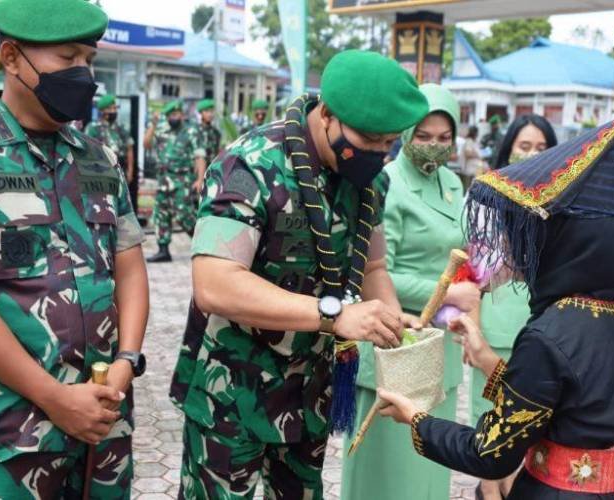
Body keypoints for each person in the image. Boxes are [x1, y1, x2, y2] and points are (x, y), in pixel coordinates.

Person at [376, 84, 614, 499]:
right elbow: (567, 406)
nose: (520, 250)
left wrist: (417, 419)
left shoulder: (549, 335)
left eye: (531, 237)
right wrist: (489, 363)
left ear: (562, 243)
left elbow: (489, 453)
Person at [169, 49, 428, 499]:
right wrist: (334, 314)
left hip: (308, 395)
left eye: (390, 143)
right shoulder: (250, 165)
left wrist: (387, 315)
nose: (379, 155)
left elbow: (373, 264)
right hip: (230, 392)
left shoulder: (369, 183)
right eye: (369, 140)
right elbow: (214, 282)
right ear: (327, 114)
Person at [0, 0, 151, 497]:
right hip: (5, 437)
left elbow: (129, 269)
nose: (82, 72)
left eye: (89, 59)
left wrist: (125, 363)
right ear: (12, 57)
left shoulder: (97, 157)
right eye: (67, 58)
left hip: (103, 424)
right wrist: (56, 398)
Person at [341, 83, 480, 500]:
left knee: (428, 468)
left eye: (443, 138)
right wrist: (451, 293)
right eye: (423, 136)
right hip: (394, 338)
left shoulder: (453, 183)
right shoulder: (385, 183)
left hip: (439, 344)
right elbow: (376, 270)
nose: (433, 147)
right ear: (404, 134)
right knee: (387, 472)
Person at [470, 113, 559, 500]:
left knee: (528, 431)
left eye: (541, 148)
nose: (533, 154)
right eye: (524, 146)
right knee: (491, 428)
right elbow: (472, 275)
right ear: (507, 151)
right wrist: (473, 330)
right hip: (494, 330)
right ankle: (488, 492)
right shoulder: (488, 200)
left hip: (542, 333)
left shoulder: (560, 204)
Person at [144, 99, 201, 263]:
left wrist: (199, 179)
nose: (175, 117)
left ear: (182, 115)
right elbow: (146, 144)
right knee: (161, 215)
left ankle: (204, 246)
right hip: (163, 181)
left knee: (185, 216)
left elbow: (199, 155)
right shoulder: (161, 131)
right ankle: (163, 250)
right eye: (171, 115)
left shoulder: (190, 132)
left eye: (177, 114)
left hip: (182, 181)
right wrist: (153, 125)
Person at [85, 94, 137, 206]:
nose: (113, 111)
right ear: (102, 111)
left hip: (119, 171)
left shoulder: (121, 128)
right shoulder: (93, 128)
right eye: (110, 109)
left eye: (115, 108)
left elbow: (129, 148)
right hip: (101, 173)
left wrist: (130, 171)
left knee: (121, 205)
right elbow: (87, 152)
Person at [195, 98, 221, 194]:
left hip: (211, 174)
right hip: (196, 175)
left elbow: (217, 153)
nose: (210, 114)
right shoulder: (195, 131)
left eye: (211, 111)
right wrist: (199, 178)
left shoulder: (216, 133)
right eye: (206, 111)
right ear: (201, 113)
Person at [459, 125, 484, 191]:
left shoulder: (474, 142)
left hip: (475, 170)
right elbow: (468, 154)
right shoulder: (469, 141)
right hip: (469, 171)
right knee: (468, 189)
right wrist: (477, 155)